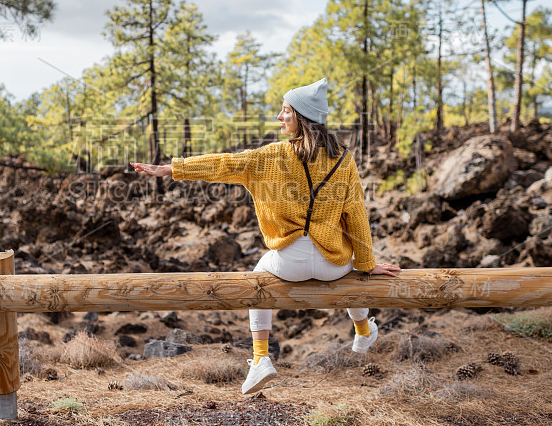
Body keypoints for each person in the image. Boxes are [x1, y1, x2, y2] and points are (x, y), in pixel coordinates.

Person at [130, 77, 401, 395]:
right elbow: (356, 216)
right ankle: (363, 330)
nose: (279, 116)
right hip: (333, 265)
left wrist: (172, 168)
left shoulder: (270, 157)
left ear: (300, 116)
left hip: (289, 262)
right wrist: (368, 263)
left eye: (284, 110)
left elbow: (223, 164)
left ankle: (260, 359)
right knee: (356, 267)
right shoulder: (344, 159)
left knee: (258, 275)